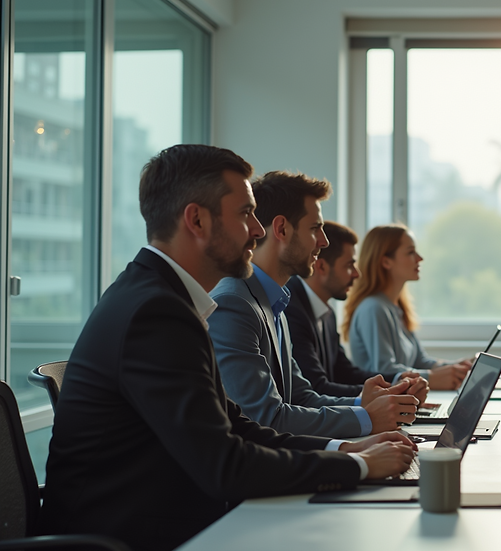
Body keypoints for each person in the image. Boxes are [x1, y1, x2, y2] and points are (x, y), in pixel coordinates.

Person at [41, 145, 416, 551]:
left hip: (163, 523)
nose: (257, 229)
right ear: (197, 220)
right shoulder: (157, 312)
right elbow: (226, 465)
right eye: (245, 214)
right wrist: (357, 465)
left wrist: (348, 448)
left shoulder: (165, 298)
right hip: (133, 539)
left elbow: (237, 426)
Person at [209, 171, 424, 439]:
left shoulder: (274, 302)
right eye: (314, 229)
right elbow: (265, 417)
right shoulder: (234, 303)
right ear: (282, 229)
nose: (324, 241)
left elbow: (301, 397)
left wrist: (365, 403)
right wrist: (367, 419)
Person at [285, 220, 428, 401]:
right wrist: (386, 393)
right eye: (349, 265)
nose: (356, 274)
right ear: (321, 267)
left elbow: (345, 372)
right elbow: (317, 387)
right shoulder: (291, 310)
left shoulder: (326, 313)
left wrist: (397, 381)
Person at [344, 224, 471, 390]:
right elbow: (384, 370)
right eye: (410, 252)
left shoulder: (397, 308)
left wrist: (458, 367)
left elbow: (420, 361)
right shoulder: (373, 309)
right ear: (386, 262)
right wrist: (431, 378)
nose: (419, 258)